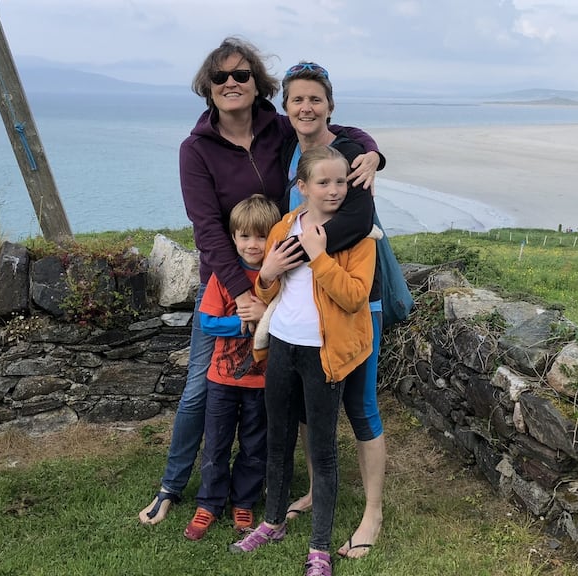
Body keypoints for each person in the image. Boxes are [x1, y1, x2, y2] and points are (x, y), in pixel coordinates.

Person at [138, 36, 382, 526]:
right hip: (232, 283)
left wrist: (373, 151)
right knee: (201, 386)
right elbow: (207, 231)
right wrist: (243, 292)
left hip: (288, 282)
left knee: (273, 390)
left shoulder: (279, 129)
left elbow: (331, 130)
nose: (231, 82)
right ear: (208, 87)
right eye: (220, 76)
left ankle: (259, 484)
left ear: (257, 84)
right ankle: (171, 485)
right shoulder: (196, 149)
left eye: (241, 74)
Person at [229, 146, 377, 576]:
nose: (334, 190)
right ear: (302, 187)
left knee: (323, 450)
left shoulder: (359, 238)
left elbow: (354, 297)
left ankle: (319, 548)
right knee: (278, 441)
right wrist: (268, 272)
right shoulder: (284, 226)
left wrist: (319, 256)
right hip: (282, 346)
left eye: (341, 181)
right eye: (323, 182)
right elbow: (267, 291)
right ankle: (272, 522)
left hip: (323, 354)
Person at [279, 61, 387, 560]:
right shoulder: (291, 153)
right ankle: (314, 490)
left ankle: (372, 513)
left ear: (330, 105)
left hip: (357, 298)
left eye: (315, 99)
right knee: (308, 407)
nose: (306, 107)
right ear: (285, 107)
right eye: (297, 99)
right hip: (308, 305)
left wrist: (292, 253)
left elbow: (358, 222)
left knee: (361, 406)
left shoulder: (351, 156)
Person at [182, 195, 281, 541]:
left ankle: (244, 500)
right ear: (233, 237)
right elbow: (208, 322)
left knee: (254, 445)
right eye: (244, 236)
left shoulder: (277, 279)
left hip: (261, 381)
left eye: (261, 236)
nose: (252, 244)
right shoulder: (224, 277)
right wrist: (242, 325)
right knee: (216, 444)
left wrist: (264, 319)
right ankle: (209, 502)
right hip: (222, 380)